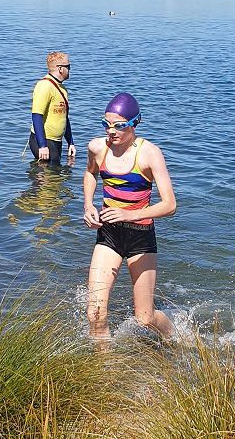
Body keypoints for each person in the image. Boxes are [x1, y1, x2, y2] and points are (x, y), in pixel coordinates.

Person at [83, 92, 176, 339]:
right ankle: (105, 361)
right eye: (106, 124)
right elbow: (90, 173)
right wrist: (88, 205)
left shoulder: (150, 154)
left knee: (145, 319)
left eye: (119, 126)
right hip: (109, 233)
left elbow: (170, 205)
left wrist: (128, 214)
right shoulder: (97, 148)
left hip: (140, 236)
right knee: (94, 313)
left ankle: (175, 338)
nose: (111, 131)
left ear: (135, 123)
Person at [29, 51, 76, 163]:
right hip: (44, 141)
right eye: (68, 66)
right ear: (60, 68)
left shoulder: (62, 88)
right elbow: (36, 116)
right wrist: (42, 146)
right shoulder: (44, 86)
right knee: (48, 173)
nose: (70, 69)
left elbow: (64, 118)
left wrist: (70, 142)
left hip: (56, 142)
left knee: (56, 173)